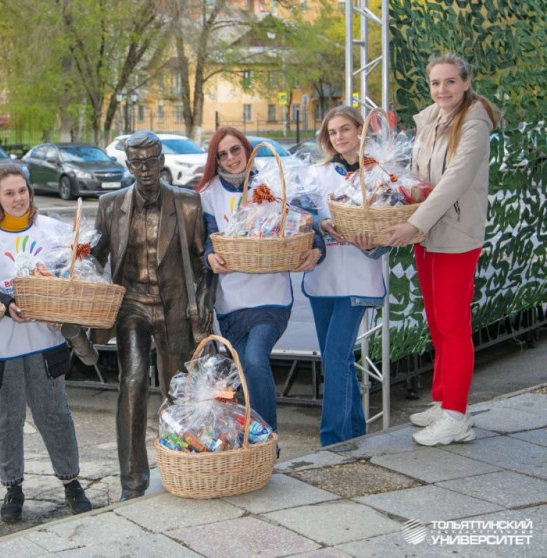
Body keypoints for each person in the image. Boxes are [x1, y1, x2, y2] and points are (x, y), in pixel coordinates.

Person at [90, 131, 213, 501]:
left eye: (152, 161)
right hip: (132, 306)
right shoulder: (111, 205)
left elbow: (203, 265)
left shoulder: (188, 204)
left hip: (174, 304)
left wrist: (204, 303)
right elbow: (91, 259)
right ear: (128, 165)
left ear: (162, 161)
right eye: (137, 163)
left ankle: (182, 464)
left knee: (177, 388)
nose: (146, 170)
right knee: (132, 381)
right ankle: (132, 480)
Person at [384, 53, 497, 446]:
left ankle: (456, 417)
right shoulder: (429, 118)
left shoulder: (475, 119)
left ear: (465, 82)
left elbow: (454, 179)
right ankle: (444, 399)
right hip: (428, 234)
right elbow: (423, 175)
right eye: (435, 83)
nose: (442, 90)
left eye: (450, 82)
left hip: (455, 234)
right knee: (437, 321)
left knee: (453, 324)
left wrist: (415, 222)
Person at [0, 164, 92, 522]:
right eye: (9, 193)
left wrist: (61, 301)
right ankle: (13, 487)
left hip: (44, 342)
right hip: (0, 345)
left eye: (22, 191)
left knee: (54, 415)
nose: (17, 198)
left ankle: (72, 483)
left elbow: (66, 275)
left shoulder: (52, 231)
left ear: (30, 192)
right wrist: (7, 304)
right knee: (5, 420)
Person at [197, 127, 324, 433]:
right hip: (231, 304)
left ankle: (267, 436)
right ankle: (247, 437)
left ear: (248, 150)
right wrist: (210, 258)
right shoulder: (207, 194)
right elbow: (205, 241)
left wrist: (317, 250)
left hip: (272, 298)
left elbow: (307, 225)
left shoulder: (273, 182)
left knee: (254, 360)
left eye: (235, 150)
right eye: (222, 154)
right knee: (243, 370)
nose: (230, 159)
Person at [304, 107, 388, 446]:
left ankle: (331, 441)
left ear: (360, 131)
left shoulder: (380, 172)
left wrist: (374, 244)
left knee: (337, 356)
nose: (339, 137)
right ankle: (354, 431)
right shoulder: (317, 173)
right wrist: (319, 224)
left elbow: (391, 227)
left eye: (345, 129)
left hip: (359, 277)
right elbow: (299, 211)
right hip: (323, 278)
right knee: (334, 359)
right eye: (333, 132)